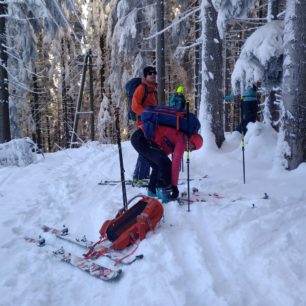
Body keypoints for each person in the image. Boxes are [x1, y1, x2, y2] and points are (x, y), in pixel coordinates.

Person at [131, 125, 203, 203]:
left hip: (139, 138)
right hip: (142, 138)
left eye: (192, 150)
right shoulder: (182, 140)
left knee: (158, 166)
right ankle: (164, 193)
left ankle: (152, 192)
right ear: (190, 141)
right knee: (166, 165)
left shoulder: (180, 138)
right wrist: (174, 186)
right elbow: (175, 164)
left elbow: (162, 156)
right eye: (192, 147)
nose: (189, 150)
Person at [131, 66, 158, 185]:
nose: (152, 75)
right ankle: (139, 177)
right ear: (145, 76)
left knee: (149, 147)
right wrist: (146, 114)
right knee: (145, 148)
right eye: (149, 73)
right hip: (144, 123)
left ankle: (144, 174)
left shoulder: (152, 89)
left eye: (154, 73)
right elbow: (135, 106)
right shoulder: (142, 88)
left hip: (151, 123)